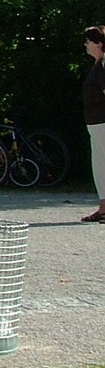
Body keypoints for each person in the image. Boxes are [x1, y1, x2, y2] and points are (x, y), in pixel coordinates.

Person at [81, 25, 105, 223]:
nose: (86, 45)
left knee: (102, 164)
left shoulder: (104, 66)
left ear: (99, 44)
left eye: (88, 41)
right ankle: (103, 207)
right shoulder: (99, 65)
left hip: (103, 123)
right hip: (96, 123)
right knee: (99, 164)